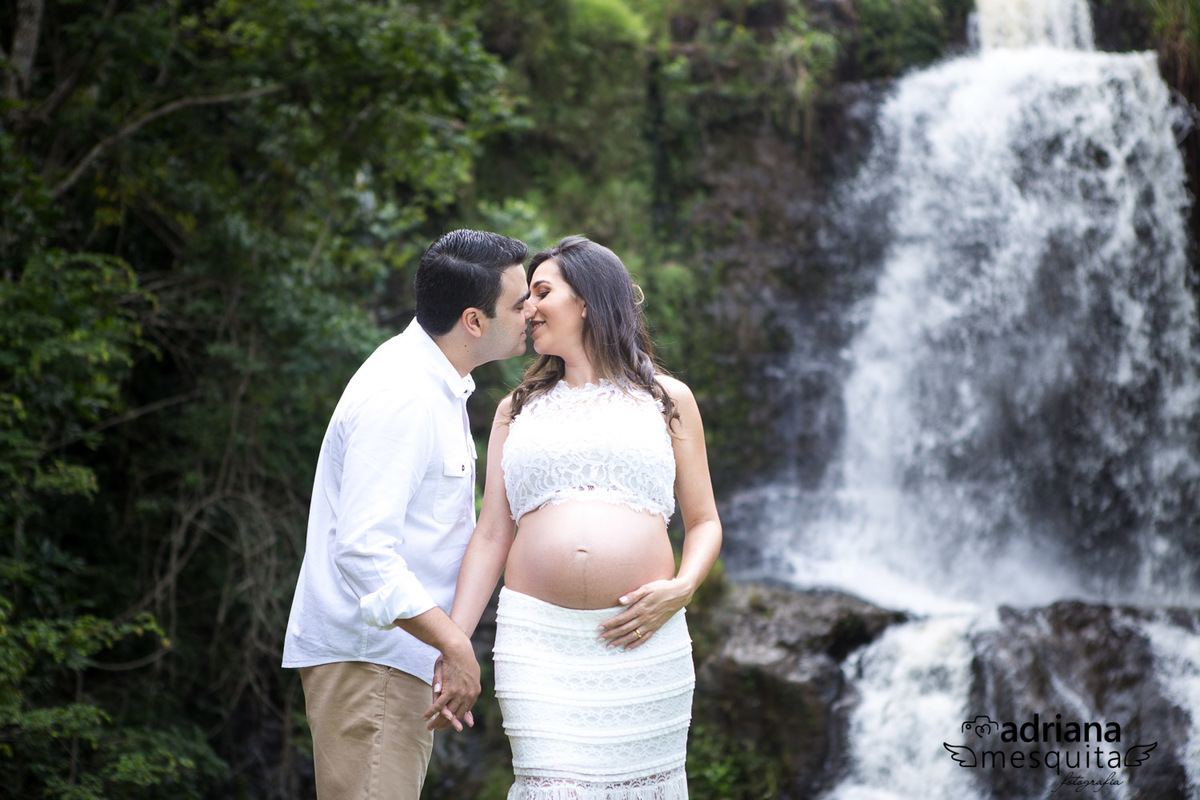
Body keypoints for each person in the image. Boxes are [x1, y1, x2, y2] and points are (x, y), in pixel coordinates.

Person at [449, 235, 723, 800]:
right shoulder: (514, 410)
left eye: (542, 292)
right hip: (538, 643)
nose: (527, 308)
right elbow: (493, 534)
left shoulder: (669, 400)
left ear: (589, 301)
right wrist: (453, 644)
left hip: (643, 637)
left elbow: (704, 522)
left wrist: (684, 588)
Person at [282, 229, 533, 800]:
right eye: (519, 303)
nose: (531, 313)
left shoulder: (438, 387)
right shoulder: (402, 394)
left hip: (394, 663)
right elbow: (362, 550)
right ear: (474, 320)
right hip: (371, 666)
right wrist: (455, 644)